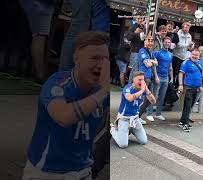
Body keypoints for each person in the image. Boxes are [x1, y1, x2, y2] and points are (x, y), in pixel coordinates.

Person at [22, 32, 110, 180]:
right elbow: (63, 116)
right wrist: (103, 93)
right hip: (46, 172)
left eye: (105, 59)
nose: (101, 65)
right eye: (94, 58)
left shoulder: (100, 89)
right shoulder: (57, 84)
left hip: (82, 170)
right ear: (77, 58)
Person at [110, 71, 156, 148]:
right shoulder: (128, 88)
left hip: (135, 119)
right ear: (134, 80)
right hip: (124, 119)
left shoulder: (144, 90)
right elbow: (130, 98)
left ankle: (132, 130)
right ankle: (112, 129)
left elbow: (153, 101)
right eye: (139, 80)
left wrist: (147, 91)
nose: (142, 82)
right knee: (123, 145)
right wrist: (141, 91)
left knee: (143, 141)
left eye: (142, 79)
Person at [20, 0, 56, 83]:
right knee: (39, 37)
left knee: (38, 36)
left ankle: (38, 73)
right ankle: (40, 74)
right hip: (40, 4)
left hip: (33, 4)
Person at [178, 49, 203, 132]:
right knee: (187, 105)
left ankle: (182, 121)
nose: (194, 56)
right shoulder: (186, 62)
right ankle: (185, 124)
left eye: (196, 55)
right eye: (193, 54)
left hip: (197, 88)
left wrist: (201, 85)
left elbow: (202, 75)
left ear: (199, 56)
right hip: (188, 87)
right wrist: (180, 85)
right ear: (190, 55)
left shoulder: (199, 63)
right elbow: (181, 73)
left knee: (190, 105)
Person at [138, 34, 159, 122]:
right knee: (141, 98)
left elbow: (155, 64)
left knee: (150, 99)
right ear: (144, 41)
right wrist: (152, 61)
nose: (150, 42)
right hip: (143, 77)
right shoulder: (142, 50)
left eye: (151, 40)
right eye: (148, 40)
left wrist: (156, 76)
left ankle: (137, 117)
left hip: (149, 77)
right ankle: (135, 117)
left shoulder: (151, 52)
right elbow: (148, 64)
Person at [153, 37, 174, 121]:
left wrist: (171, 77)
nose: (167, 43)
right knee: (154, 96)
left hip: (165, 77)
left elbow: (170, 67)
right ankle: (149, 113)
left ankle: (158, 114)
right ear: (163, 42)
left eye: (169, 42)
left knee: (162, 97)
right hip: (158, 76)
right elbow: (154, 65)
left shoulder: (170, 54)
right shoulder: (157, 52)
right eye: (166, 42)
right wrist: (155, 76)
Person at [172, 21, 193, 88]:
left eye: (188, 28)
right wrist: (187, 45)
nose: (187, 29)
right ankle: (172, 86)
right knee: (175, 73)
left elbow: (189, 47)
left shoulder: (189, 36)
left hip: (184, 57)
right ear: (182, 27)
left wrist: (191, 47)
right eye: (186, 28)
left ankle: (178, 87)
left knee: (181, 73)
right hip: (176, 56)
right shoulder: (178, 33)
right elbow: (178, 45)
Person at [127, 13, 146, 83]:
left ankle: (135, 86)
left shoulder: (144, 28)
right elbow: (128, 38)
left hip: (142, 51)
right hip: (135, 51)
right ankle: (129, 85)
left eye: (141, 18)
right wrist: (135, 32)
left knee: (139, 70)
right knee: (134, 70)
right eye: (138, 18)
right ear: (136, 19)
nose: (140, 20)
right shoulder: (132, 26)